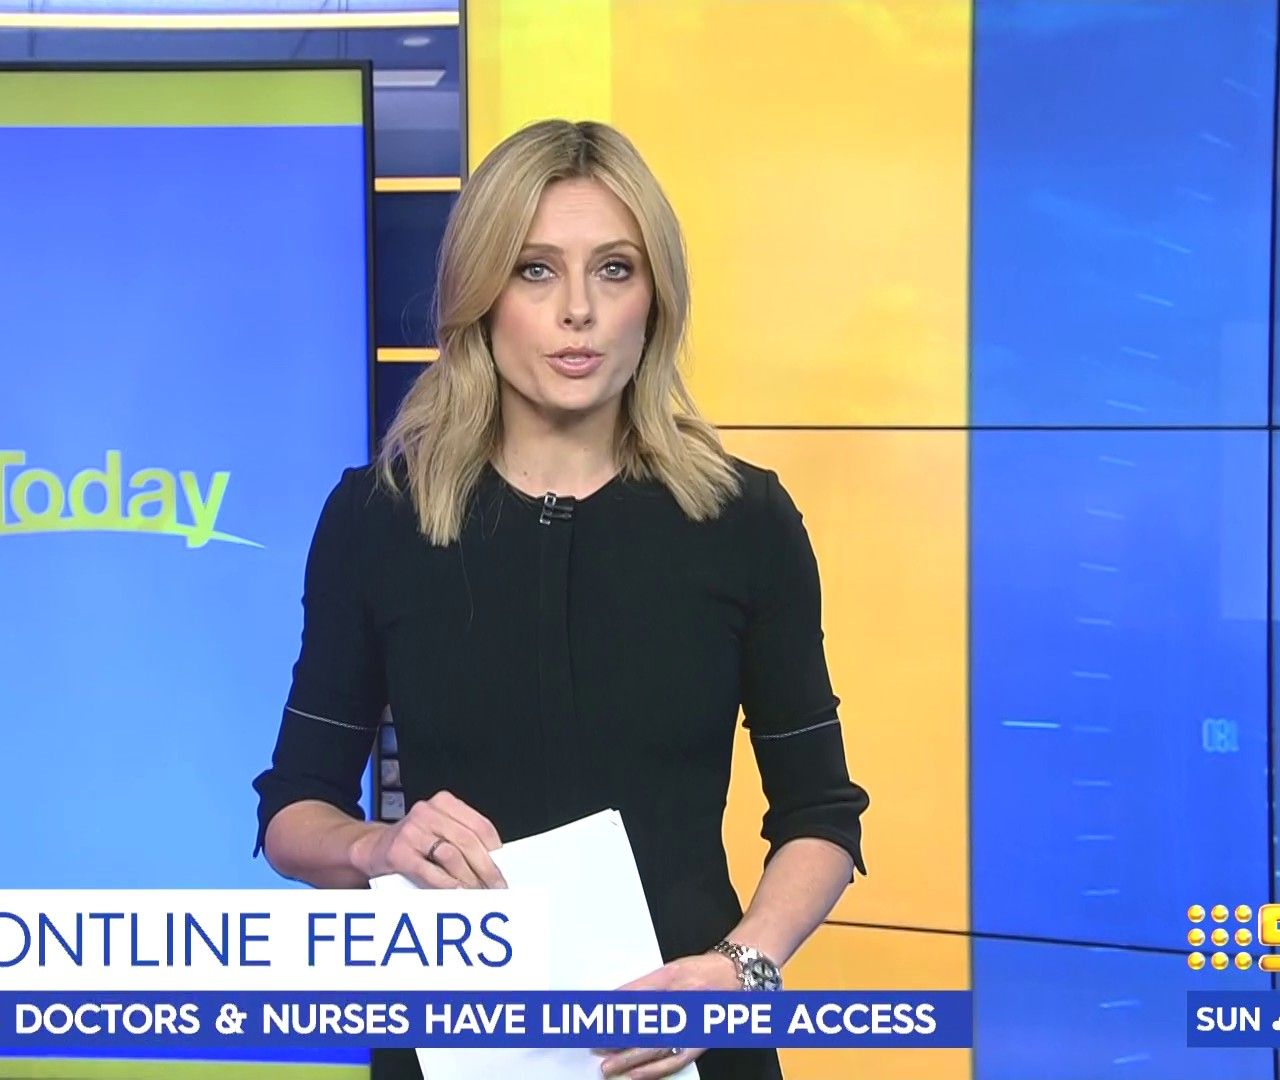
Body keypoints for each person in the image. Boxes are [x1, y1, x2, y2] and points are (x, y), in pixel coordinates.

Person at [254, 119, 870, 1080]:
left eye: (614, 269)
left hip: (691, 1044)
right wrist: (379, 846)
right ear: (481, 294)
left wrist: (738, 970)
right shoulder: (378, 519)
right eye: (535, 270)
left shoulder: (744, 520)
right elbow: (293, 811)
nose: (578, 310)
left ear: (655, 298)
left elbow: (822, 816)